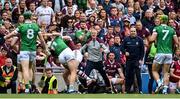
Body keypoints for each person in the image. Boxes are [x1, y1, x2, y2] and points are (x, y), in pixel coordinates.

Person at [4, 12, 48, 93]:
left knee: (25, 69)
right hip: (33, 50)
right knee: (30, 68)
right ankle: (30, 85)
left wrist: (5, 37)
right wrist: (45, 48)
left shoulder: (22, 26)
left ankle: (27, 88)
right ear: (30, 17)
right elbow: (41, 39)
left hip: (24, 50)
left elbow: (13, 34)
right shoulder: (35, 26)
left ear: (24, 18)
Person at [149, 15, 179, 94]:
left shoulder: (157, 28)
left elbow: (151, 39)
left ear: (161, 20)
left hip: (160, 52)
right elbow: (176, 42)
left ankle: (159, 83)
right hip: (169, 53)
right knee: (166, 72)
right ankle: (165, 91)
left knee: (154, 70)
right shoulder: (172, 29)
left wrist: (151, 38)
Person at [81, 28, 111, 93]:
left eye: (95, 33)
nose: (93, 34)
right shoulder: (88, 41)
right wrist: (84, 53)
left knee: (104, 75)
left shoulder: (100, 41)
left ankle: (109, 88)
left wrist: (103, 50)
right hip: (90, 61)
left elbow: (108, 50)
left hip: (99, 62)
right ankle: (86, 89)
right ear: (91, 34)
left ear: (97, 34)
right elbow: (82, 49)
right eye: (92, 33)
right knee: (85, 75)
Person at [121, 27, 144, 93]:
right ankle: (127, 90)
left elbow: (142, 51)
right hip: (129, 60)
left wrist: (141, 59)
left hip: (137, 60)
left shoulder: (139, 39)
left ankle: (140, 90)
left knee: (138, 75)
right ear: (129, 32)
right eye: (131, 31)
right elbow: (122, 48)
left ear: (136, 32)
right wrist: (125, 52)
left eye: (134, 31)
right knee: (128, 75)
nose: (133, 32)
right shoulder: (126, 39)